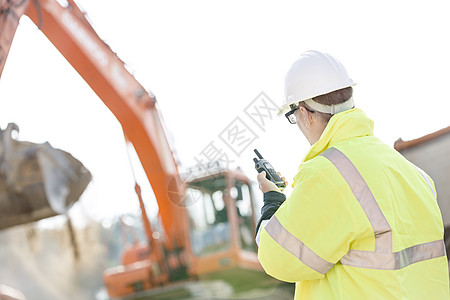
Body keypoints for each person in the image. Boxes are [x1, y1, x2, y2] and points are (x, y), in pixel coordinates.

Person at [255, 50, 449, 299]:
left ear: (303, 112)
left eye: (292, 117)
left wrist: (272, 203)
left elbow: (278, 258)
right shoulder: (413, 173)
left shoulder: (328, 173)